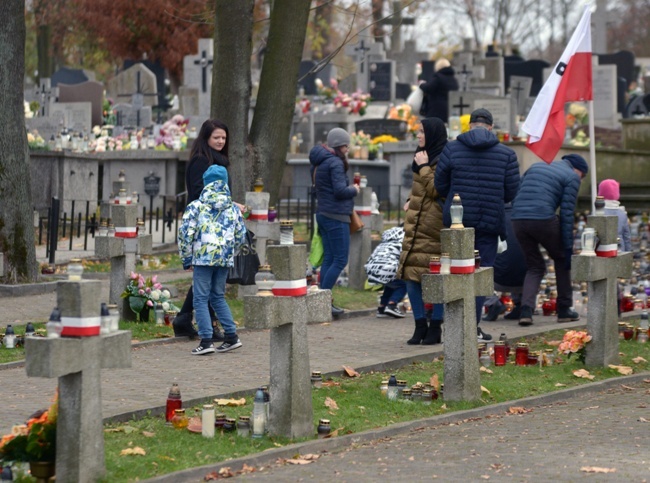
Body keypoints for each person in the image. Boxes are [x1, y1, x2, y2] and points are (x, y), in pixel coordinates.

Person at [435, 108, 520, 342]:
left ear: (469, 125)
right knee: (480, 274)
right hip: (490, 221)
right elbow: (512, 190)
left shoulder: (452, 148)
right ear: (491, 128)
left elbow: (440, 184)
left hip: (457, 221)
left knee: (455, 272)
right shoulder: (506, 154)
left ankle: (453, 326)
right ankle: (471, 327)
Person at [511, 154, 589, 326]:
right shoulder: (571, 177)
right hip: (543, 219)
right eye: (582, 177)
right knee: (561, 259)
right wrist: (567, 247)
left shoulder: (536, 166)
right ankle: (564, 309)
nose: (581, 181)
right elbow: (567, 214)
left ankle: (526, 310)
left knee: (534, 265)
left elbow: (517, 194)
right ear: (578, 171)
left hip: (518, 219)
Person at [173, 119, 233, 340]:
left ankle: (184, 318)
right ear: (206, 137)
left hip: (218, 226)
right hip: (205, 225)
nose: (220, 141)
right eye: (216, 137)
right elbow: (200, 192)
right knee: (205, 276)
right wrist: (230, 204)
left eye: (223, 138)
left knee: (206, 277)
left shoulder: (220, 161)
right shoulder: (201, 160)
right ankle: (208, 327)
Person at [178, 165, 247, 355]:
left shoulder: (196, 206)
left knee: (200, 298)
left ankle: (206, 340)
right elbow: (241, 236)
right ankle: (231, 336)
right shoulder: (233, 208)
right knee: (217, 296)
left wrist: (187, 257)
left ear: (206, 183)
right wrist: (230, 253)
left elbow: (185, 234)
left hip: (203, 257)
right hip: (224, 259)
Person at [397, 117, 447, 345]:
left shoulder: (443, 158)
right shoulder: (421, 155)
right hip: (416, 223)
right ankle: (419, 325)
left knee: (435, 276)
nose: (418, 136)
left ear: (433, 134)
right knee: (410, 275)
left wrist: (426, 166)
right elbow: (419, 189)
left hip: (434, 225)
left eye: (421, 132)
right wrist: (410, 200)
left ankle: (436, 326)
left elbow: (438, 189)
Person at [310, 128, 360, 315]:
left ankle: (323, 303)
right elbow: (340, 191)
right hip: (336, 216)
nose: (348, 149)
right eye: (346, 145)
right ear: (340, 145)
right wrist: (354, 189)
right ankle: (322, 302)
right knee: (340, 259)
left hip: (323, 213)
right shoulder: (335, 163)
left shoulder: (319, 162)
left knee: (330, 258)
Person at [482, 204, 527, 321]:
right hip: (526, 280)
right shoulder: (524, 215)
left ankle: (492, 302)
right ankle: (520, 303)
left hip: (500, 278)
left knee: (475, 263)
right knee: (524, 256)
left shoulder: (492, 215)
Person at [365, 225, 407, 318]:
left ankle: (382, 307)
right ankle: (392, 304)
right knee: (403, 284)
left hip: (372, 268)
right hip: (388, 267)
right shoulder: (401, 243)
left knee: (391, 284)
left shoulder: (384, 243)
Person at [418, 58, 458, 123]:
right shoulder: (453, 79)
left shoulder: (438, 77)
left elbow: (428, 88)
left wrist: (421, 84)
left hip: (436, 109)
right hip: (449, 109)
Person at [598, 179, 632, 252]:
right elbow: (627, 237)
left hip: (601, 251)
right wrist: (628, 254)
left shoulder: (597, 212)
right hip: (619, 250)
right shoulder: (622, 214)